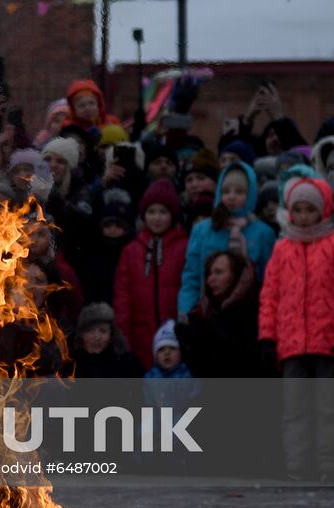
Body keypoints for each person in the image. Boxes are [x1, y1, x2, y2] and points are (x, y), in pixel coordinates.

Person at [259, 176, 334, 481]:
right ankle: (297, 465)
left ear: (323, 211)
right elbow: (270, 296)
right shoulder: (282, 249)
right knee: (295, 409)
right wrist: (267, 336)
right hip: (291, 344)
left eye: (310, 210)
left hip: (328, 341)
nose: (304, 216)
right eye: (299, 210)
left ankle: (328, 465)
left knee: (328, 408)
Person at [177, 162, 276, 319]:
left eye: (239, 191)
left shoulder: (263, 233)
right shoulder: (203, 230)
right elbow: (192, 277)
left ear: (250, 195)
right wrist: (185, 312)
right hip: (207, 315)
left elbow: (268, 282)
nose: (231, 196)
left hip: (248, 318)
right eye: (226, 191)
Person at [114, 179, 187, 370]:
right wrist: (125, 343)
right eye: (151, 212)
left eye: (163, 212)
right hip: (140, 341)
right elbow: (123, 299)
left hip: (176, 341)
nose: (157, 218)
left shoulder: (184, 247)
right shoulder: (131, 250)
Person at [176, 250, 262, 377]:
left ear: (236, 275)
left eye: (219, 272)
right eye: (209, 274)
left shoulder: (255, 309)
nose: (211, 279)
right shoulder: (202, 313)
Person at [67, 302, 143, 377]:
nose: (97, 337)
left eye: (103, 331)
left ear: (112, 335)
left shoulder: (127, 364)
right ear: (81, 334)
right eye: (90, 331)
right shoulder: (70, 366)